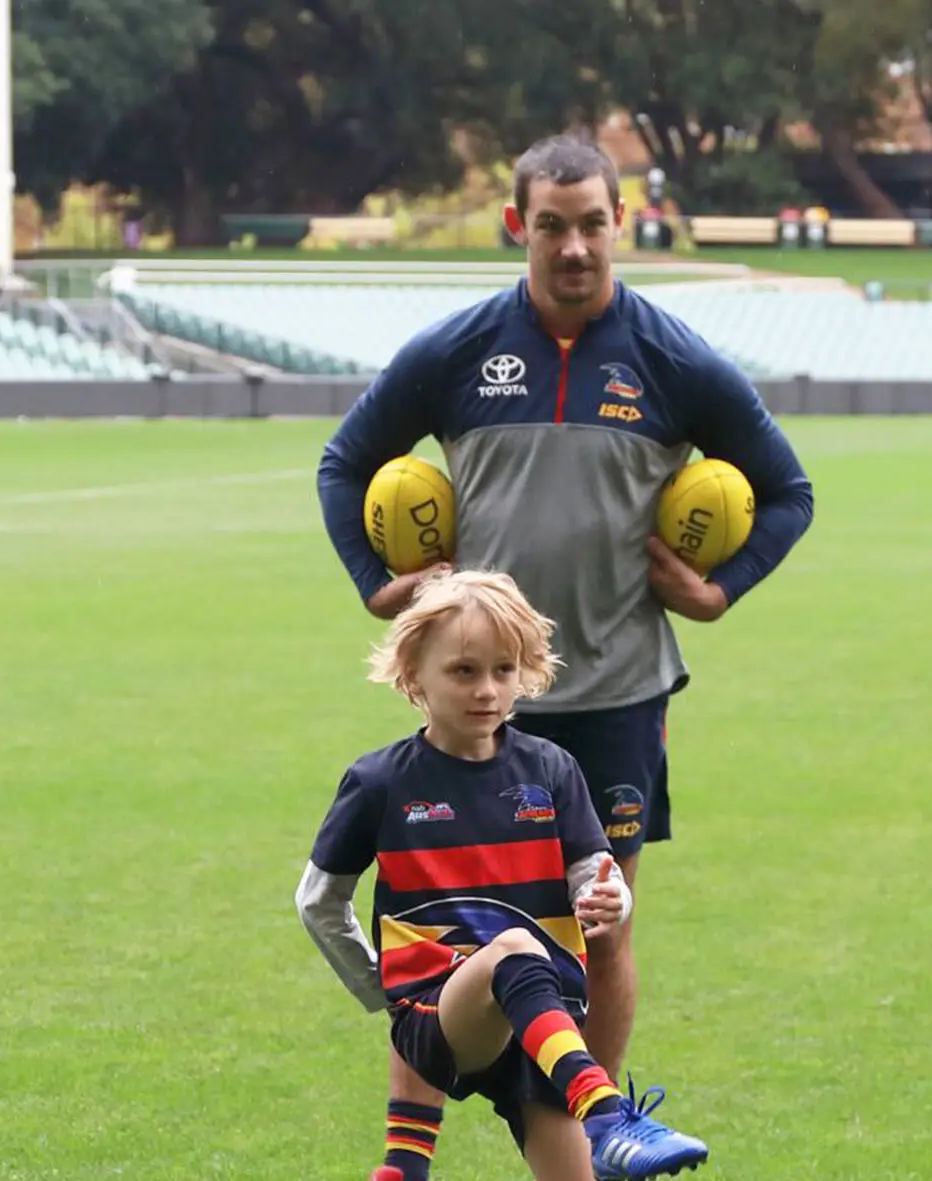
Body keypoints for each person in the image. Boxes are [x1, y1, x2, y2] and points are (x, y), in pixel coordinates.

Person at [312, 131, 817, 1176]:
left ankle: (594, 1126)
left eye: (591, 223)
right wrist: (380, 583)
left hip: (616, 686)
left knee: (598, 918)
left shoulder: (671, 358)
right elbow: (345, 460)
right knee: (449, 923)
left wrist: (717, 590)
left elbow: (786, 489)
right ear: (518, 227)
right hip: (479, 690)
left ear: (616, 222)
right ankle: (430, 1135)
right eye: (551, 225)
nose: (574, 246)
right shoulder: (457, 350)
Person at [299, 571, 709, 1180]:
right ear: (414, 676)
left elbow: (594, 876)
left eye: (504, 670)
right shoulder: (381, 782)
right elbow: (319, 901)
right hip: (440, 1017)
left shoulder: (551, 769)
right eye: (464, 671)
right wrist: (378, 986)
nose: (487, 690)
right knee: (515, 948)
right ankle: (606, 1115)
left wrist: (608, 900)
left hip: (542, 1026)